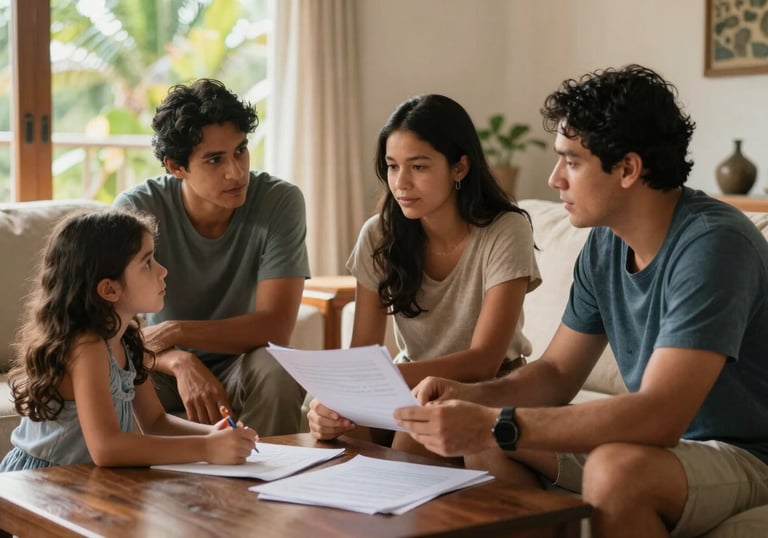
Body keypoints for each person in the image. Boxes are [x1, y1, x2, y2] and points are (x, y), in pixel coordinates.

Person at [394, 64, 768, 537]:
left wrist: (497, 422)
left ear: (629, 169)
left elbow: (659, 415)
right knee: (464, 438)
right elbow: (555, 374)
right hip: (670, 448)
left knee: (616, 470)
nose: (553, 179)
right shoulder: (607, 242)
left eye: (571, 161)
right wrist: (468, 396)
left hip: (746, 452)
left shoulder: (714, 245)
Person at [308, 94, 541, 452]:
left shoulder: (506, 229)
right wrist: (336, 405)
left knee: (411, 437)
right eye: (392, 166)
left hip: (488, 385)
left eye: (418, 167)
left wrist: (375, 382)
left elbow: (484, 360)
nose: (400, 183)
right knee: (338, 432)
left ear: (459, 168)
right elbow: (364, 352)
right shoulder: (378, 233)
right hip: (406, 385)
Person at [114, 79, 310, 436]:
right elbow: (114, 332)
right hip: (160, 366)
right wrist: (178, 360)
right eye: (215, 160)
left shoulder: (280, 202)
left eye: (240, 151)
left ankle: (270, 483)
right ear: (176, 167)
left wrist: (178, 330)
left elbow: (276, 328)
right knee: (112, 377)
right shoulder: (139, 209)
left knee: (279, 368)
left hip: (242, 364)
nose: (236, 172)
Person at [0, 209, 258, 471]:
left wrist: (212, 434)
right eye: (147, 263)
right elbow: (107, 448)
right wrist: (206, 449)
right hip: (41, 481)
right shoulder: (87, 347)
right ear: (109, 289)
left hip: (82, 481)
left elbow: (155, 422)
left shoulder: (124, 339)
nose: (163, 271)